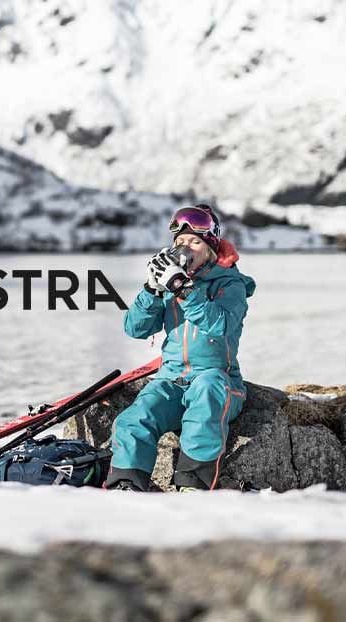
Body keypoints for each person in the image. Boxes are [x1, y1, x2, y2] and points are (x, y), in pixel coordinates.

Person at [104, 204, 256, 492]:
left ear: (210, 248)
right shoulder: (169, 281)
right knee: (135, 418)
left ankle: (192, 483)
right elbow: (135, 328)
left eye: (194, 242)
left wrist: (182, 288)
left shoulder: (231, 285)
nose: (184, 247)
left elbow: (220, 324)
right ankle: (126, 484)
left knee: (207, 397)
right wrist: (151, 289)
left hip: (217, 378)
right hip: (171, 379)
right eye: (179, 242)